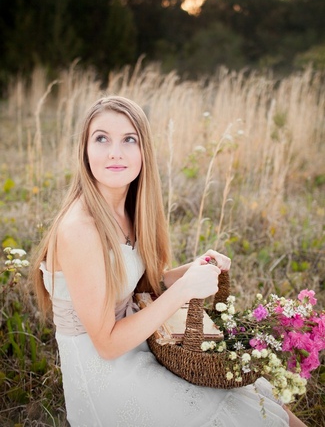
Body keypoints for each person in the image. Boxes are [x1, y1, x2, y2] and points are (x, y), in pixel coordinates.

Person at [32, 96, 307, 427]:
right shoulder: (79, 229)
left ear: (143, 151)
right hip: (105, 374)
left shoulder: (129, 210)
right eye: (101, 138)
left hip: (140, 344)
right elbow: (105, 344)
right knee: (241, 416)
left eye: (128, 140)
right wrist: (183, 292)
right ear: (85, 150)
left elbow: (136, 285)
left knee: (261, 406)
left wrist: (191, 269)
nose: (114, 152)